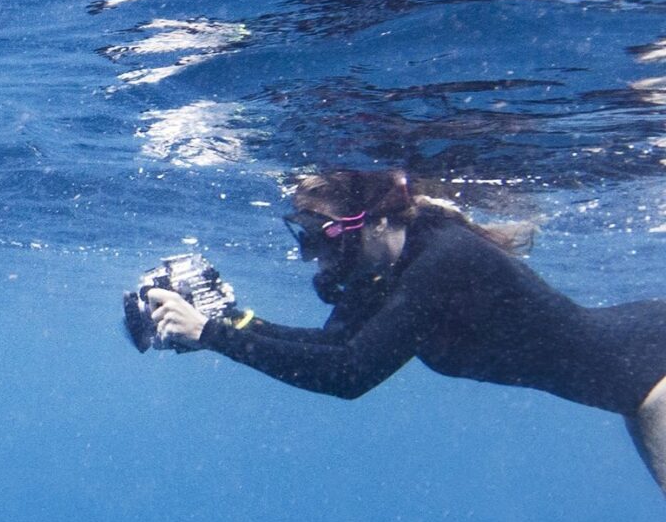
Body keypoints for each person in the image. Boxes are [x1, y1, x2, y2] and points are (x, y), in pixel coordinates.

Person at [143, 167, 666, 492]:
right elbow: (333, 347)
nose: (317, 257)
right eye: (306, 238)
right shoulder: (388, 269)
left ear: (378, 222)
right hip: (637, 380)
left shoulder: (442, 260)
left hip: (653, 373)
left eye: (326, 237)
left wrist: (214, 336)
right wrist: (231, 321)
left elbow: (350, 374)